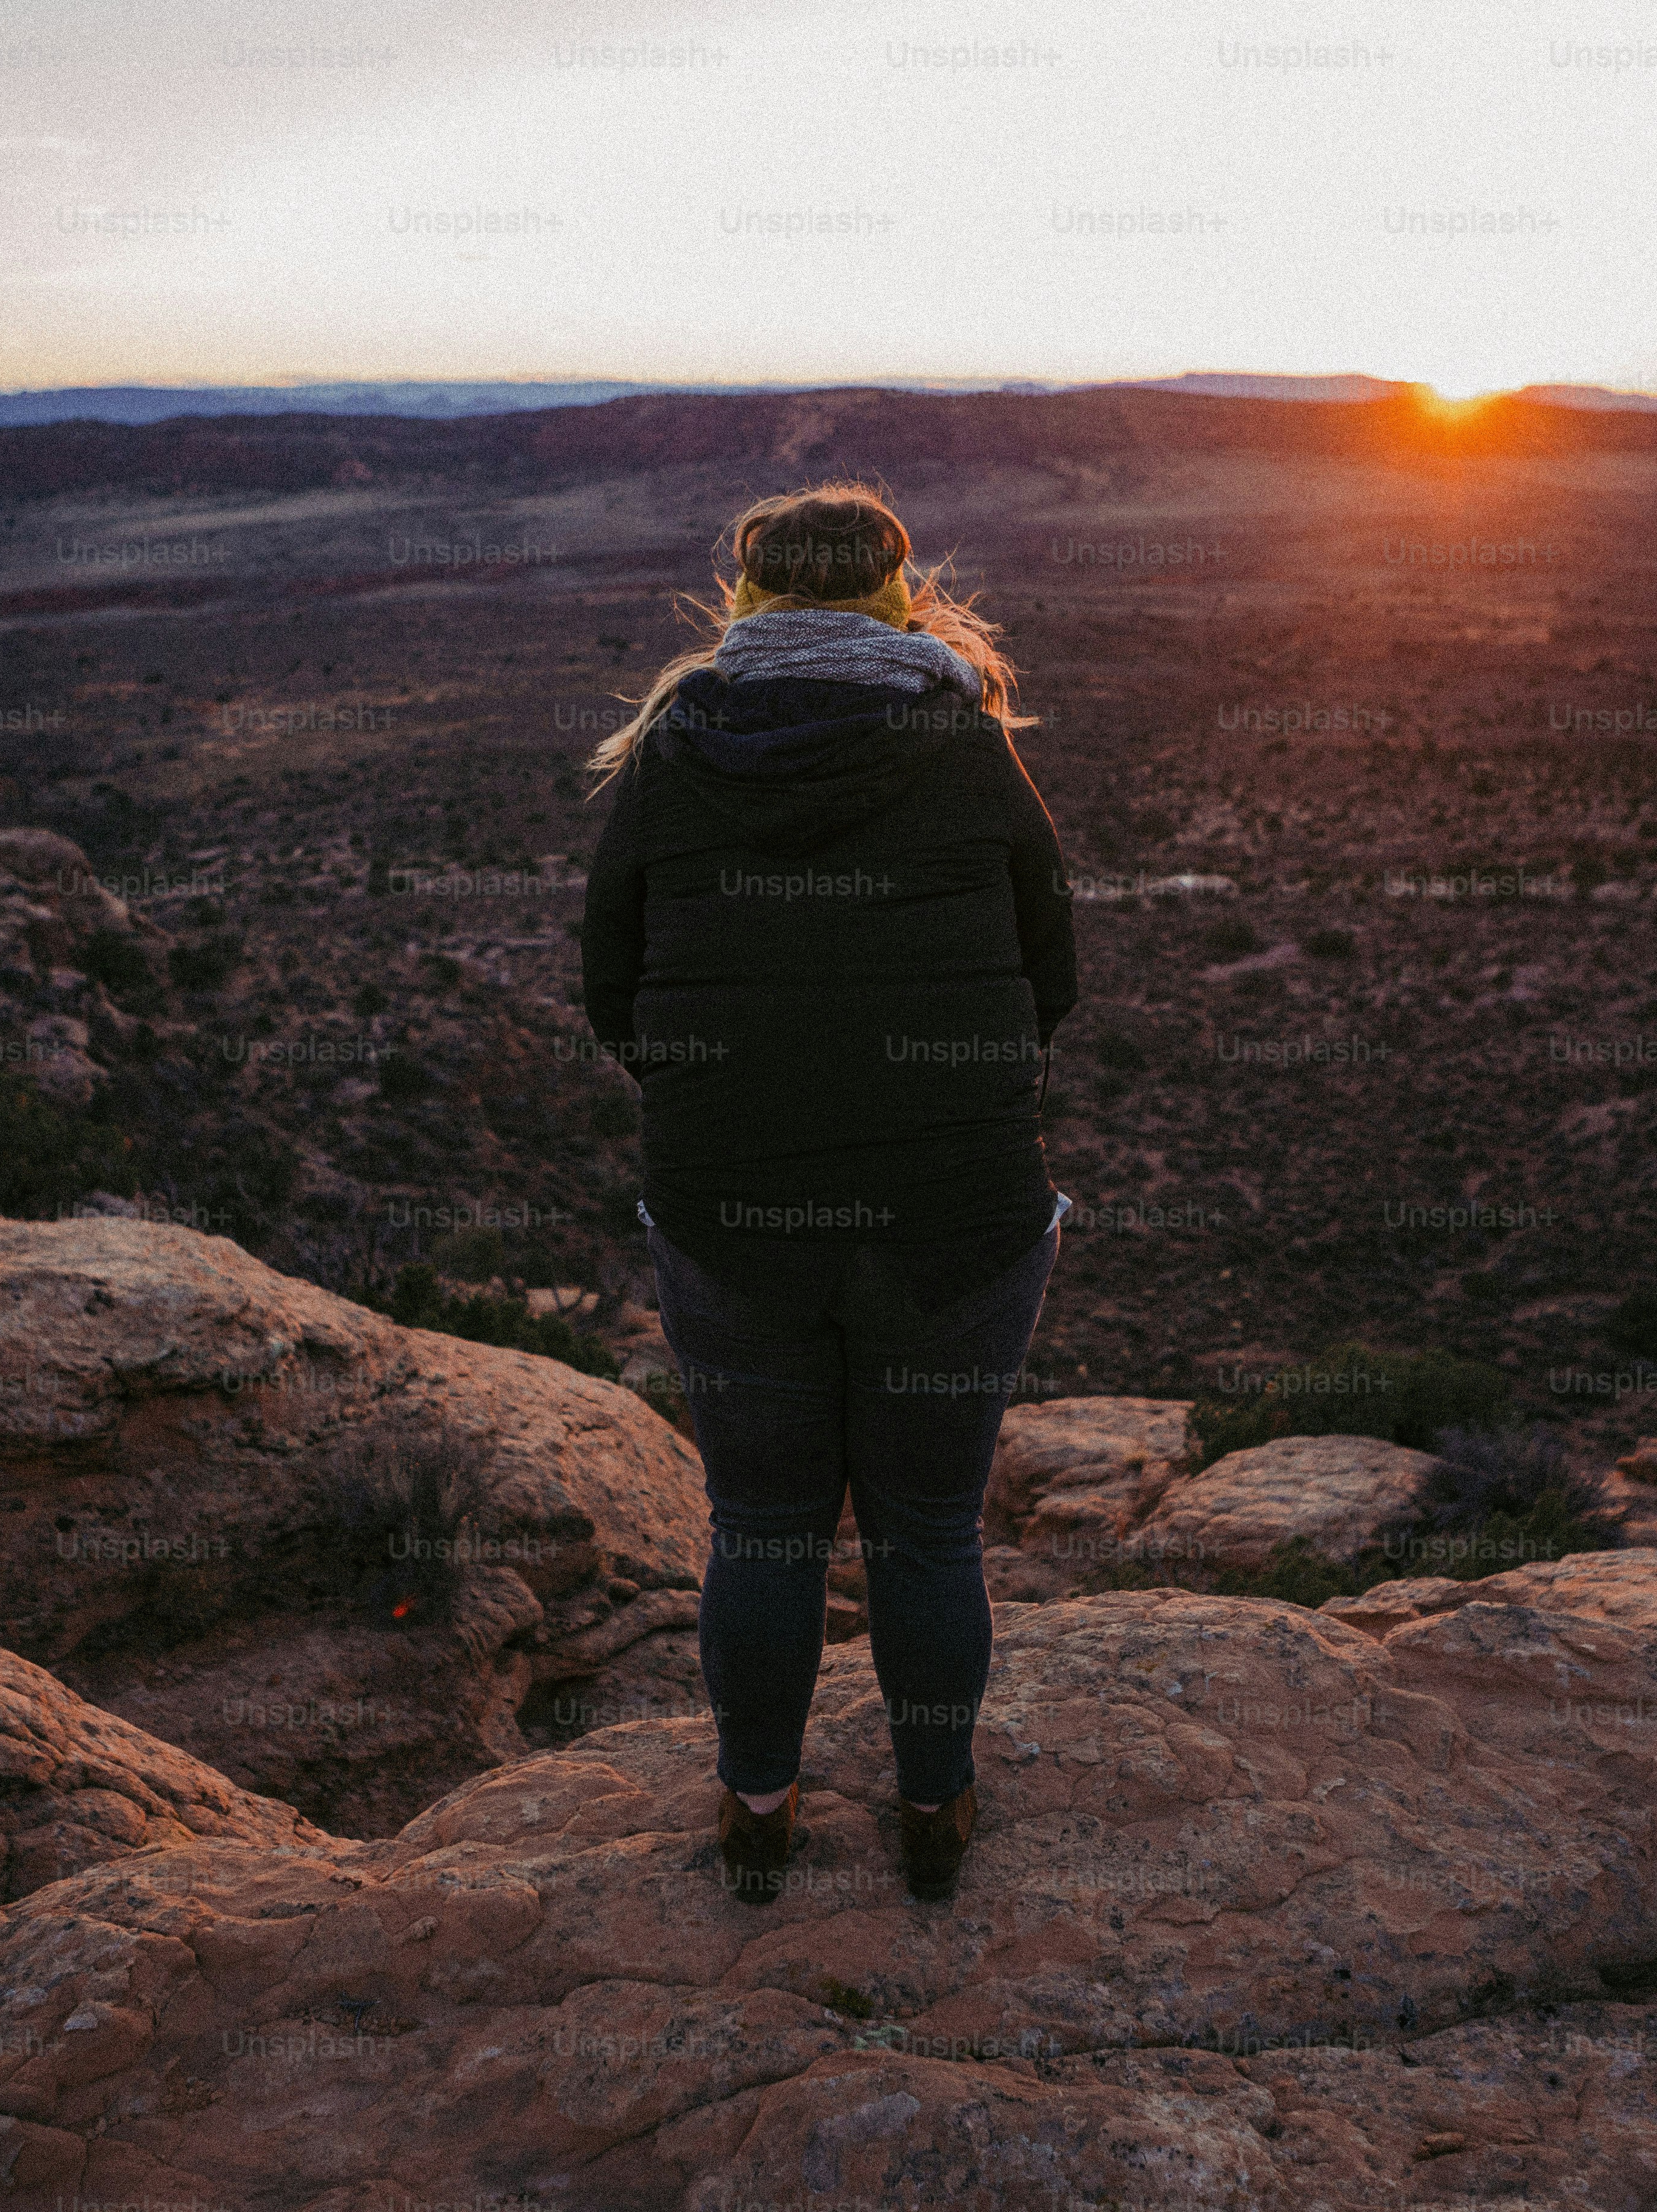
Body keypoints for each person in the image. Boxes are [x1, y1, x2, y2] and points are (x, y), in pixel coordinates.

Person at [579, 481, 1077, 1908]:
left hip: (733, 1210)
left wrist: (729, 1098)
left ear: (746, 602)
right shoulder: (965, 741)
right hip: (958, 1213)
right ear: (899, 597)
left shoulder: (676, 748)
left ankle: (757, 1814)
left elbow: (610, 986)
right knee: (926, 1528)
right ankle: (933, 1815)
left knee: (763, 1525)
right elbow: (1058, 975)